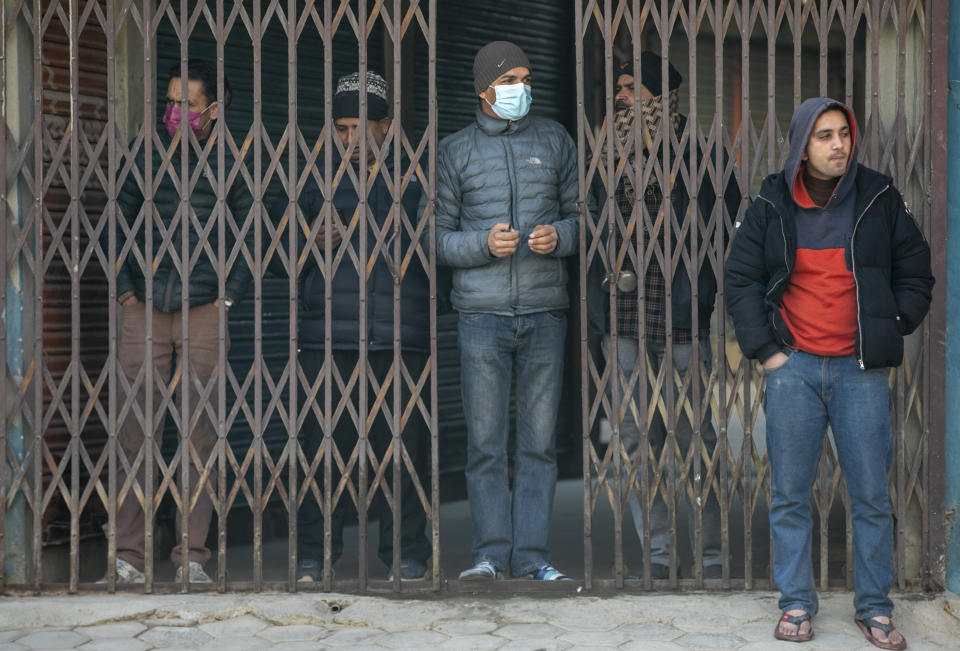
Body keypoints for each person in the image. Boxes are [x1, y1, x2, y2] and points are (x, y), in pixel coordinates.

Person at [726, 97, 933, 648]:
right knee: (791, 493)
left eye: (844, 133)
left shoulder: (880, 195)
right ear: (801, 144)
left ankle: (875, 607)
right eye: (824, 136)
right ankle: (796, 604)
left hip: (860, 371)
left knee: (869, 494)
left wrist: (892, 324)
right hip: (792, 369)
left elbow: (917, 270)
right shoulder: (772, 199)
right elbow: (740, 279)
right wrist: (768, 352)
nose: (838, 144)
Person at [267, 71, 431, 582]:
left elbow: (440, 252)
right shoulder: (309, 179)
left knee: (403, 453)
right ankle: (314, 555)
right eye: (340, 128)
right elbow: (274, 259)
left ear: (385, 126)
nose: (349, 138)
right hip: (326, 336)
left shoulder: (418, 178)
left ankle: (406, 554)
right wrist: (311, 239)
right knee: (321, 452)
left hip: (399, 336)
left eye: (360, 127)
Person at [431, 40, 579, 582]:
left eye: (527, 77)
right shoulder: (455, 152)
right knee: (486, 443)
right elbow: (437, 239)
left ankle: (533, 558)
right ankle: (489, 555)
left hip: (545, 312)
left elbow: (583, 218)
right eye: (512, 79)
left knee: (538, 445)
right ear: (485, 88)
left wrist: (557, 237)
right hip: (481, 318)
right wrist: (481, 245)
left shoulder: (555, 139)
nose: (524, 88)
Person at [589, 52, 741, 581]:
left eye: (632, 88)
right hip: (624, 316)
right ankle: (655, 556)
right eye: (620, 89)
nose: (621, 97)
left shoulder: (704, 156)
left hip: (679, 317)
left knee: (693, 438)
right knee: (633, 439)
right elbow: (588, 227)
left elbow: (725, 231)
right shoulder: (603, 157)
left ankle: (713, 556)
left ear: (662, 97)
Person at [104, 59, 253, 584]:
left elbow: (254, 232)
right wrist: (124, 291)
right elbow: (113, 222)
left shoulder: (232, 162)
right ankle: (127, 556)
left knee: (199, 434)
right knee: (133, 431)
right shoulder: (142, 157)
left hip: (204, 310)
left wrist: (228, 299)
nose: (174, 112)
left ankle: (191, 558)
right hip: (143, 308)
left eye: (184, 104)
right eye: (168, 102)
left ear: (213, 110)